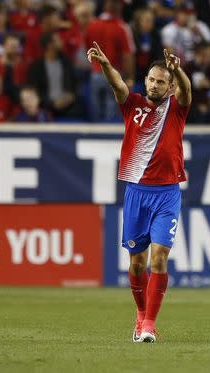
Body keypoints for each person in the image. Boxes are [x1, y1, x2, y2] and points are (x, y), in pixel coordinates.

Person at [87, 41, 191, 343]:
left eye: (162, 81)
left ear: (170, 87)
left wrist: (179, 72)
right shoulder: (131, 104)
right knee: (136, 263)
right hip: (136, 192)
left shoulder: (176, 109)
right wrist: (106, 64)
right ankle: (141, 314)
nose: (155, 84)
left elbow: (186, 91)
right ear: (145, 80)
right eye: (151, 79)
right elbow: (117, 83)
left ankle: (148, 325)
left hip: (167, 193)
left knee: (159, 259)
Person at [86, 0, 135, 122]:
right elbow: (128, 56)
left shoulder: (92, 25)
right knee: (111, 119)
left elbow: (88, 49)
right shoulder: (122, 27)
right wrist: (130, 78)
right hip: (113, 75)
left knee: (95, 116)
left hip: (95, 74)